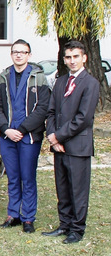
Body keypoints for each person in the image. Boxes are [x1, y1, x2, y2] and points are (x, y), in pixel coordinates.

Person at [41, 40, 99, 244]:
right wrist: (52, 137)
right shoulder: (60, 81)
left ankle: (77, 229)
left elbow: (83, 118)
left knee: (78, 191)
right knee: (62, 188)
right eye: (68, 57)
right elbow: (51, 111)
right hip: (59, 147)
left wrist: (59, 136)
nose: (72, 61)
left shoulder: (90, 83)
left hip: (78, 147)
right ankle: (64, 224)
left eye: (76, 56)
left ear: (84, 57)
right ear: (64, 59)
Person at [0, 39, 50, 233]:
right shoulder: (3, 77)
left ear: (29, 55)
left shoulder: (38, 78)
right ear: (11, 54)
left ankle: (28, 218)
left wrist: (23, 129)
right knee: (13, 176)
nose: (18, 55)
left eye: (23, 52)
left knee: (28, 177)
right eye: (15, 52)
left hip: (29, 137)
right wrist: (6, 128)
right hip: (8, 136)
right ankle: (13, 214)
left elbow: (43, 108)